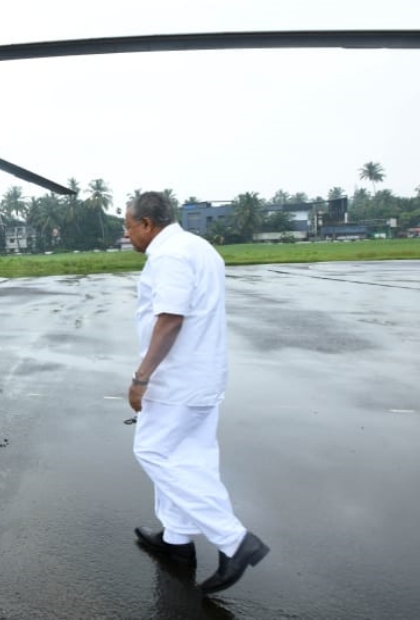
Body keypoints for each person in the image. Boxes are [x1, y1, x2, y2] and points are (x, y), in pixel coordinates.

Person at [123, 191, 269, 595]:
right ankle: (177, 542)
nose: (127, 234)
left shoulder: (169, 256)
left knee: (152, 451)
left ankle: (234, 540)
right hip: (203, 376)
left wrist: (141, 377)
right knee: (191, 457)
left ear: (147, 225)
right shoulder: (199, 247)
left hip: (177, 380)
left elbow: (170, 319)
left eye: (128, 226)